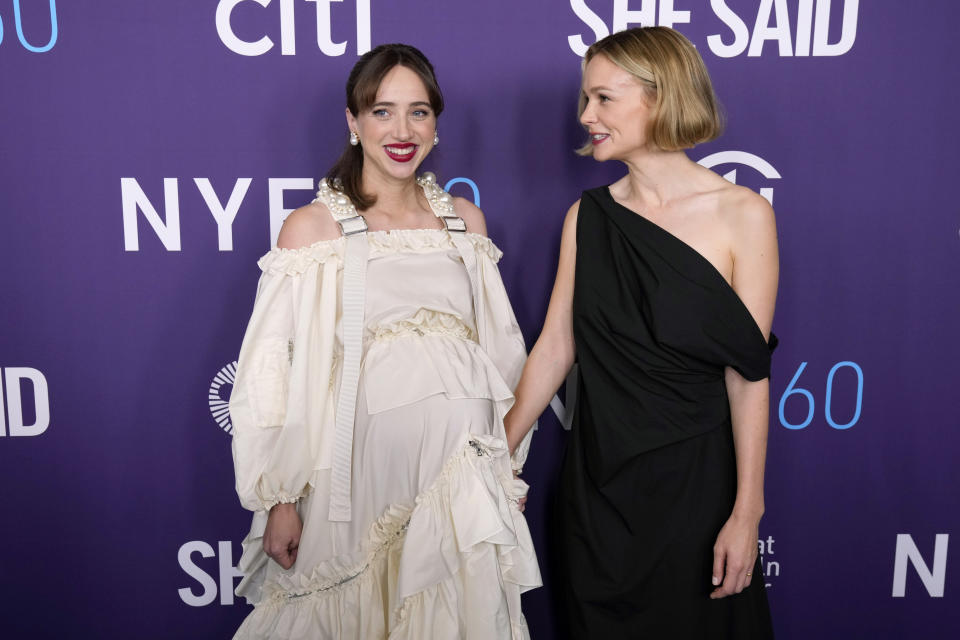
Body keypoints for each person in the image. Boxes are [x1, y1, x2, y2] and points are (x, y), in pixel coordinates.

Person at [228, 43, 540, 640]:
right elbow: (269, 370)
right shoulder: (312, 228)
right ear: (352, 122)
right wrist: (280, 497)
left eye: (418, 112)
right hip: (357, 486)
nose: (402, 130)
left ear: (436, 123)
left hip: (460, 483)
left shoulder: (464, 222)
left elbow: (501, 353)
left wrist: (506, 468)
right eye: (382, 111)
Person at [504, 27, 778, 638]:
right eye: (585, 99)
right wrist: (494, 456)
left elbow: (748, 372)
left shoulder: (744, 216)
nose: (586, 116)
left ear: (660, 97)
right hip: (597, 493)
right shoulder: (588, 217)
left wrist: (746, 511)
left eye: (603, 99)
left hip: (698, 492)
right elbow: (556, 346)